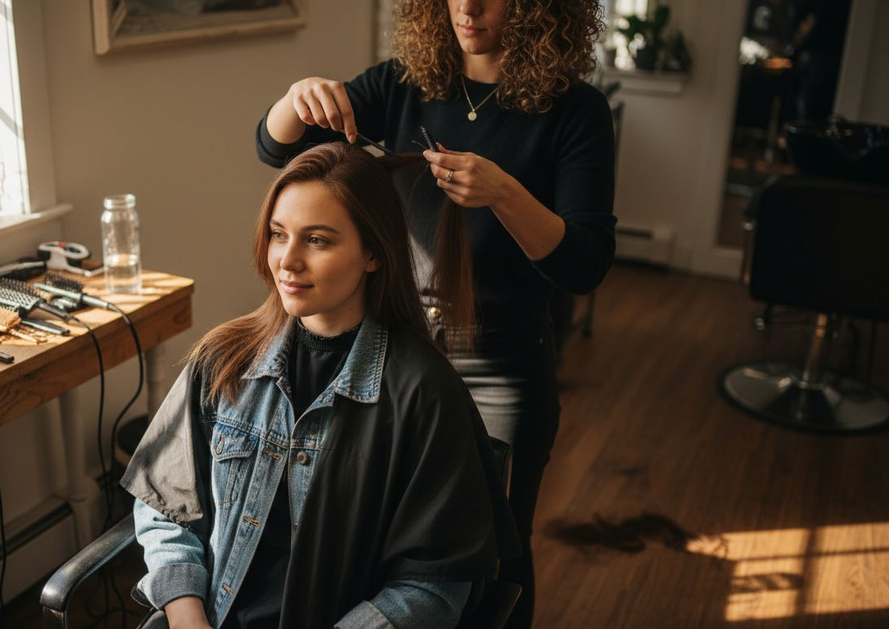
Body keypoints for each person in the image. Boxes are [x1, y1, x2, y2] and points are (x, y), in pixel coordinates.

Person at [255, 1, 617, 625]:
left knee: (493, 548)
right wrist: (297, 98)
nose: (468, 8)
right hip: (392, 352)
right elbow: (272, 146)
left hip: (501, 363)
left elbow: (584, 265)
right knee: (396, 541)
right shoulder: (404, 83)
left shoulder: (575, 111)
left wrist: (503, 194)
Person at [121, 142, 520, 629]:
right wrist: (188, 617)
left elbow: (433, 588)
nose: (287, 261)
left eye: (318, 240)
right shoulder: (222, 359)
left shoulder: (424, 393)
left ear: (373, 252)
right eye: (278, 234)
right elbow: (165, 508)